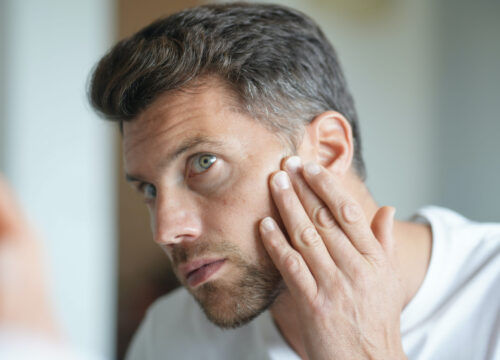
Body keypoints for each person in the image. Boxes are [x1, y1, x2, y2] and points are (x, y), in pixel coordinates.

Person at [22, 2, 497, 360]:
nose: (166, 230)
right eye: (148, 189)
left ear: (327, 151)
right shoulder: (170, 336)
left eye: (203, 163)